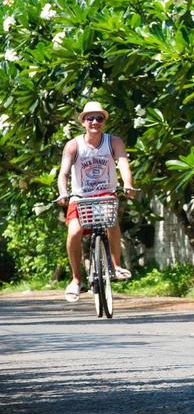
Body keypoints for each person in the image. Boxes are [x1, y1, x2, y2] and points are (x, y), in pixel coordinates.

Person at [56, 101, 137, 302]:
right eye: (90, 118)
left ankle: (116, 266)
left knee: (111, 223)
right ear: (83, 121)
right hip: (80, 197)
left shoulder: (114, 142)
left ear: (104, 121)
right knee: (74, 232)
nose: (95, 122)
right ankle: (76, 280)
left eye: (99, 118)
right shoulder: (73, 145)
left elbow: (123, 164)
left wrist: (127, 184)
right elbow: (63, 173)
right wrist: (63, 192)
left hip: (105, 194)